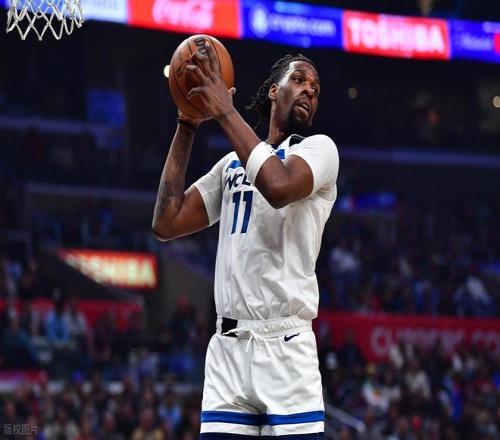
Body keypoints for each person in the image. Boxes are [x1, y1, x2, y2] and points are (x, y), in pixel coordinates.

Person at [152, 46, 339, 438]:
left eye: (316, 89)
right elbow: (167, 222)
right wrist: (187, 122)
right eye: (299, 80)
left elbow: (278, 186)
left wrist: (223, 110)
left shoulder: (319, 150)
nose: (309, 90)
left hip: (286, 345)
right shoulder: (230, 166)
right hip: (229, 349)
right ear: (273, 90)